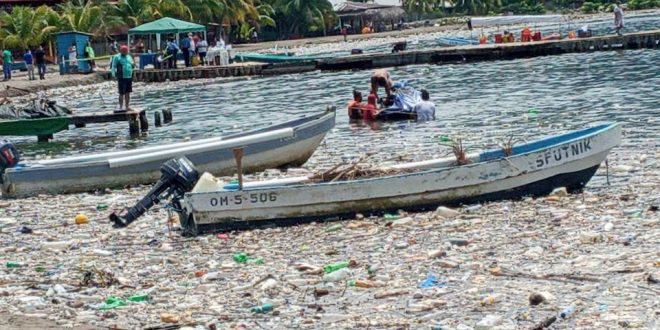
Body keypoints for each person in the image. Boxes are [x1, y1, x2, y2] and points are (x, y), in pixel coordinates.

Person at [110, 45, 135, 111]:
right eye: (124, 51)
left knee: (128, 92)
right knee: (121, 93)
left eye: (126, 51)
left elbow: (132, 64)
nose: (126, 52)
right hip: (121, 77)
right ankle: (121, 107)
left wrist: (133, 66)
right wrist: (113, 74)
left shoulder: (129, 57)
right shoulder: (117, 57)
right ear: (121, 51)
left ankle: (127, 106)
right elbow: (113, 66)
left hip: (129, 77)